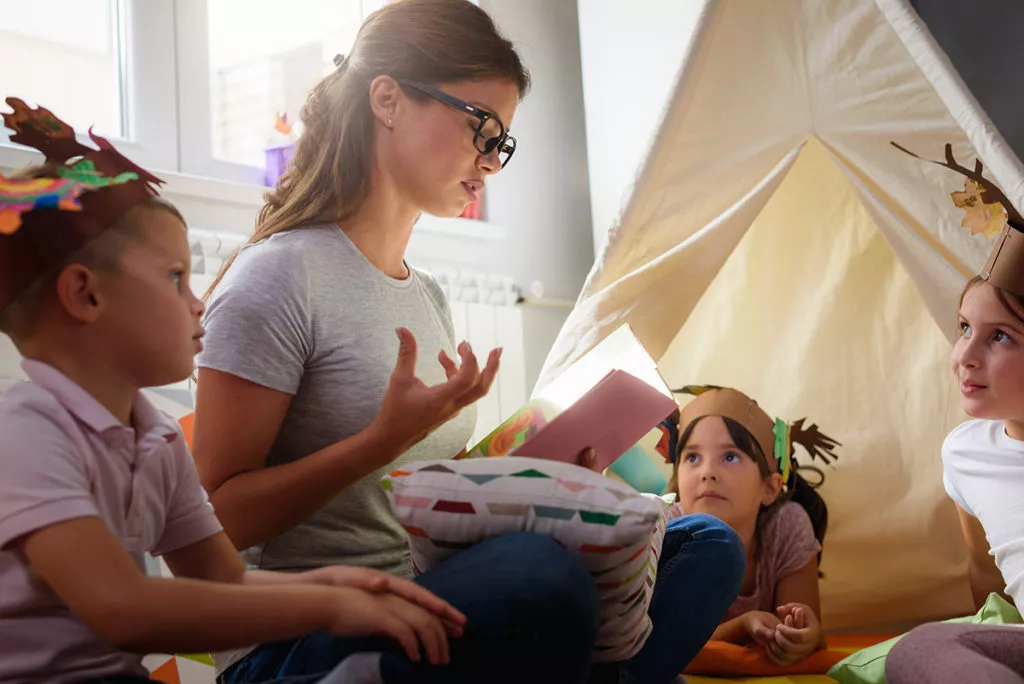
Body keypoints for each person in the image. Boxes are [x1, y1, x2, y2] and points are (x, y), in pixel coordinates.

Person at [192, 2, 598, 682]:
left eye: (502, 143)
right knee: (540, 577)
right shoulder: (279, 277)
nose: (491, 162)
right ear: (388, 99)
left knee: (697, 544)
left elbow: (414, 496)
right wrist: (379, 441)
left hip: (417, 593)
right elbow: (215, 521)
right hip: (293, 638)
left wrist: (536, 479)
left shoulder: (426, 292)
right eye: (482, 127)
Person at [0, 98, 469, 684]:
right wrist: (326, 606)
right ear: (85, 295)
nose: (199, 303)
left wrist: (339, 583)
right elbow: (120, 610)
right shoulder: (26, 431)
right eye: (175, 278)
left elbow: (224, 579)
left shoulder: (157, 438)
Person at [886, 162, 1024, 684]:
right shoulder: (964, 454)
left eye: (1001, 336)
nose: (965, 354)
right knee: (923, 647)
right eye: (965, 327)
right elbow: (986, 576)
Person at [659, 385, 839, 666]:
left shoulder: (787, 526)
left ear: (769, 488)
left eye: (730, 456)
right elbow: (659, 643)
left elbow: (809, 633)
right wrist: (740, 627)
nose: (707, 473)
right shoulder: (663, 529)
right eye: (692, 457)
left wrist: (803, 636)